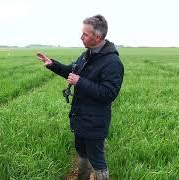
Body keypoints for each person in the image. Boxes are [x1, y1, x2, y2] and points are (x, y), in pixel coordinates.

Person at [37, 15, 124, 180]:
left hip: (95, 122)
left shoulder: (112, 62)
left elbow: (109, 93)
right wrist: (52, 64)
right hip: (80, 118)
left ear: (97, 37)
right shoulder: (87, 55)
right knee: (82, 152)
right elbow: (72, 71)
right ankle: (82, 177)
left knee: (97, 160)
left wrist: (80, 82)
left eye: (85, 34)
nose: (81, 37)